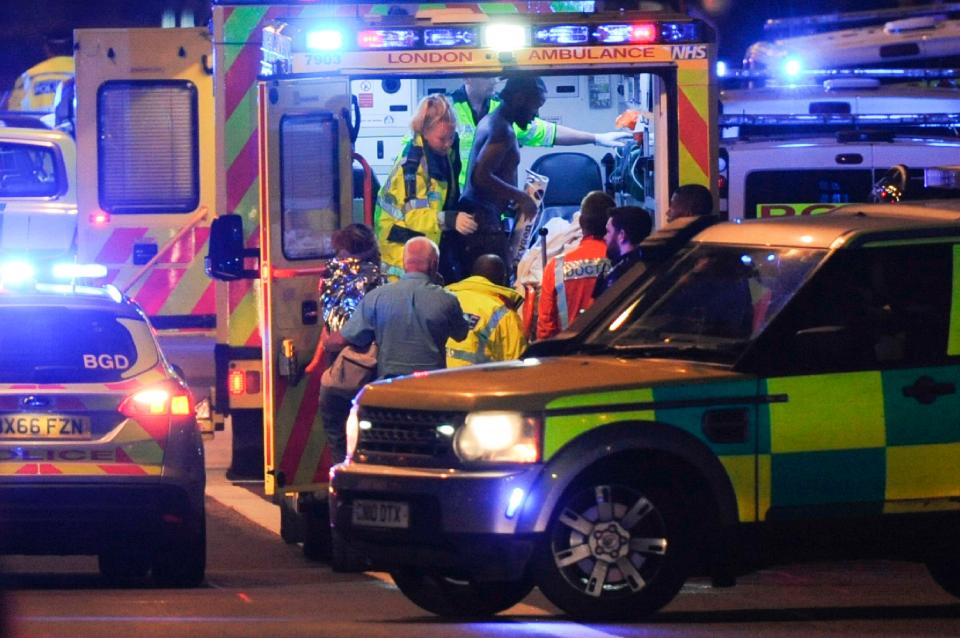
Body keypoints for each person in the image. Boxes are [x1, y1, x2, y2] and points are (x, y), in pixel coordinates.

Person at [449, 76, 631, 191]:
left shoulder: (500, 110)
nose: (494, 81)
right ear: (467, 77)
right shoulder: (448, 109)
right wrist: (520, 198)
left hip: (496, 209)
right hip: (458, 208)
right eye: (487, 75)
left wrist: (596, 138)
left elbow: (548, 132)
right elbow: (481, 175)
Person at [329, 236, 469, 380]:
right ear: (434, 264)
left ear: (404, 264)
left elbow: (342, 340)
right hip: (432, 389)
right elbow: (461, 334)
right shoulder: (447, 299)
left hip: (390, 390)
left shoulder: (376, 297)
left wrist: (326, 341)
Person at [453, 76, 547, 278]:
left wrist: (509, 197)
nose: (535, 115)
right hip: (483, 227)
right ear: (520, 98)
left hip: (484, 219)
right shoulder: (501, 129)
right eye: (535, 106)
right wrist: (522, 198)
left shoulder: (495, 121)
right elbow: (481, 176)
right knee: (496, 286)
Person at [315, 224, 384, 464]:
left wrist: (322, 350)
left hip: (340, 373)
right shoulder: (379, 282)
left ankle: (342, 484)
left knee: (338, 441)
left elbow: (333, 335)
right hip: (371, 374)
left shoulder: (333, 278)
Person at [375, 95, 461, 281]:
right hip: (401, 255)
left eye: (451, 137)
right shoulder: (412, 166)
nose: (448, 144)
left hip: (423, 244)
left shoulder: (439, 154)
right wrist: (451, 220)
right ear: (425, 132)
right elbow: (413, 215)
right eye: (442, 139)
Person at [536, 191, 614, 340]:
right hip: (611, 351)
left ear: (581, 222)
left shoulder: (556, 267)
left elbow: (545, 329)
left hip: (568, 353)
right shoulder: (621, 261)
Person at [445, 254, 526, 367]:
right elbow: (517, 364)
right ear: (503, 280)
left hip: (435, 378)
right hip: (478, 382)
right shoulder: (505, 315)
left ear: (472, 276)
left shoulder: (444, 298)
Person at [593, 206, 653, 298]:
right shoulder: (647, 265)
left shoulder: (620, 276)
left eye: (608, 232)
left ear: (621, 235)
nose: (605, 237)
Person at [6, 34, 74, 113]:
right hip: (75, 125)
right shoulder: (85, 72)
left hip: (35, 125)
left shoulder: (29, 75)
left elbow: (14, 112)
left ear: (46, 48)